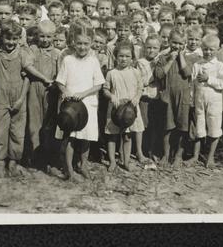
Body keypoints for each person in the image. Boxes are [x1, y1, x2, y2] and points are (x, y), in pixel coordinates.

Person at [55, 23, 105, 182]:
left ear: (91, 43)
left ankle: (83, 165)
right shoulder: (68, 60)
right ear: (73, 42)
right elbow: (60, 82)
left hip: (88, 103)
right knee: (70, 137)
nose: (82, 47)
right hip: (70, 107)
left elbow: (98, 84)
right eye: (79, 43)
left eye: (86, 44)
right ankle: (69, 170)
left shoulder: (93, 61)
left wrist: (83, 94)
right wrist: (66, 93)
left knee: (86, 137)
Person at [103, 41, 145, 171]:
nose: (124, 59)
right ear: (116, 56)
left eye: (127, 56)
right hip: (115, 109)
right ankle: (112, 162)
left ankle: (126, 161)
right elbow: (105, 89)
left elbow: (140, 88)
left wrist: (137, 98)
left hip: (130, 110)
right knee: (112, 135)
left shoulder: (135, 72)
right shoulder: (112, 73)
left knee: (127, 136)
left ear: (132, 58)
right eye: (121, 56)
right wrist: (112, 96)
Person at [26, 20, 61, 172]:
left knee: (49, 124)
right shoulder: (32, 49)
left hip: (51, 91)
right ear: (37, 35)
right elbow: (28, 66)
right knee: (34, 123)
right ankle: (35, 157)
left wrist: (56, 84)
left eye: (48, 37)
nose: (45, 40)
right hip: (35, 88)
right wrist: (43, 78)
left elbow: (61, 73)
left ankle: (48, 157)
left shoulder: (58, 53)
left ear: (54, 36)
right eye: (42, 36)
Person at [154, 29, 190, 167]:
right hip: (168, 96)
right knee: (167, 127)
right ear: (169, 42)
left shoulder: (188, 58)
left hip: (183, 97)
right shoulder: (163, 58)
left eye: (180, 43)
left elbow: (187, 73)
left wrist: (180, 56)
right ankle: (166, 154)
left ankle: (178, 156)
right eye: (174, 42)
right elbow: (159, 75)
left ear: (185, 44)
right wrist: (171, 59)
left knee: (182, 126)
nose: (177, 46)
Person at [191, 34, 223, 168]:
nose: (208, 52)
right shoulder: (197, 64)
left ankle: (210, 158)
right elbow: (193, 84)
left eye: (211, 49)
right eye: (205, 49)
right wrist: (191, 100)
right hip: (199, 101)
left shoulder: (219, 66)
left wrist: (208, 79)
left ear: (217, 49)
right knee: (199, 128)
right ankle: (195, 156)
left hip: (214, 102)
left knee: (214, 128)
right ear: (201, 48)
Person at [172, 25, 203, 166]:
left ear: (200, 41)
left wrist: (180, 56)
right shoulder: (184, 52)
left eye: (197, 39)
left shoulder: (199, 56)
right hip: (184, 93)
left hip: (196, 94)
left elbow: (187, 72)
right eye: (190, 39)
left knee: (195, 125)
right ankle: (179, 153)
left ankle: (194, 155)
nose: (193, 42)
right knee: (183, 125)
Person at [136, 34, 163, 160]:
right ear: (144, 48)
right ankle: (140, 151)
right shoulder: (141, 62)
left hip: (157, 98)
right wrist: (154, 69)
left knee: (154, 125)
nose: (151, 50)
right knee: (143, 125)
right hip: (144, 98)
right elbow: (143, 81)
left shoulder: (160, 60)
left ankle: (152, 150)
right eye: (148, 47)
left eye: (155, 48)